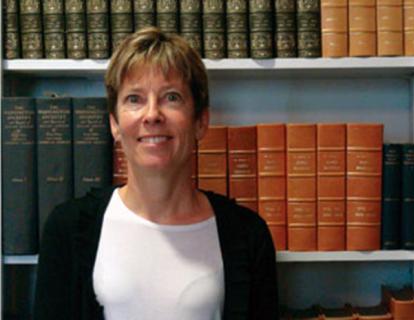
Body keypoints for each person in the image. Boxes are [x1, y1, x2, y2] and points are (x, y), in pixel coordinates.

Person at [34, 27, 279, 320]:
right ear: (114, 123)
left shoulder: (249, 235)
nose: (152, 115)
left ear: (201, 121)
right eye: (134, 99)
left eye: (171, 97)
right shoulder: (66, 229)